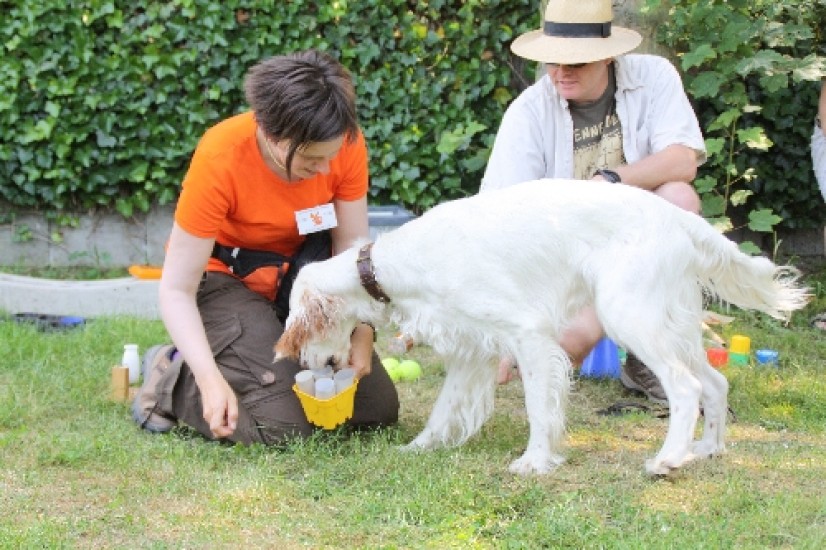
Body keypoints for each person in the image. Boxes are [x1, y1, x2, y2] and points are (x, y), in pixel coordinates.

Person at [131, 50, 399, 444]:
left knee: (375, 409)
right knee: (284, 426)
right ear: (272, 135)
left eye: (332, 155)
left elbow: (350, 253)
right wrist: (209, 380)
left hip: (299, 280)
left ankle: (252, 357)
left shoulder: (344, 142)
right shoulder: (221, 156)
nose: (326, 169)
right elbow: (176, 290)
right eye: (311, 158)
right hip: (225, 281)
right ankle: (171, 373)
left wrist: (361, 328)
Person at [481, 0, 707, 403]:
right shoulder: (528, 112)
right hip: (566, 255)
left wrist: (611, 181)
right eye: (553, 61)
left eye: (576, 63)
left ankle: (648, 357)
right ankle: (574, 337)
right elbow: (497, 220)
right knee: (567, 343)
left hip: (637, 239)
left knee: (680, 199)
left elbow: (683, 160)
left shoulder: (654, 77)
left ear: (608, 56)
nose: (561, 73)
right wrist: (502, 320)